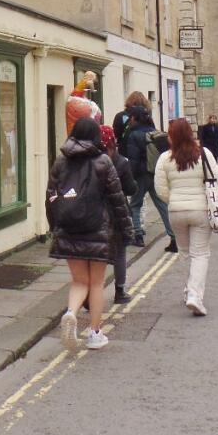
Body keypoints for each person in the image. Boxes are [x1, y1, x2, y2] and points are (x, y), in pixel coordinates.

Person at [48, 118, 134, 351]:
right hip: (98, 229)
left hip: (69, 230)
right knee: (96, 284)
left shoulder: (60, 162)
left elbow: (51, 198)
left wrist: (55, 227)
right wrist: (127, 230)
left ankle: (71, 313)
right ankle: (95, 334)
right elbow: (118, 201)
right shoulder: (103, 161)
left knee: (78, 281)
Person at [154, 118, 218, 316]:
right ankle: (194, 295)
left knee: (185, 253)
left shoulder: (164, 159)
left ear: (173, 136)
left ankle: (189, 290)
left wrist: (174, 200)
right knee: (200, 253)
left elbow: (160, 189)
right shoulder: (204, 153)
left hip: (176, 212)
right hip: (200, 210)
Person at [126, 107, 177, 252]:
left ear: (135, 119)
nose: (130, 120)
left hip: (141, 176)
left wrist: (131, 178)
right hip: (156, 174)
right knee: (162, 206)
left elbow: (133, 160)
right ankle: (173, 237)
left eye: (131, 118)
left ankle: (138, 236)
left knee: (135, 205)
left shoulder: (134, 135)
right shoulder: (158, 133)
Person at [100, 125, 138, 304]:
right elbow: (130, 189)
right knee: (120, 252)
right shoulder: (121, 162)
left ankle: (90, 294)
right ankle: (120, 291)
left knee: (96, 254)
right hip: (117, 212)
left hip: (96, 214)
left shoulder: (90, 161)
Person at [112, 91, 151, 158]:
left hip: (124, 152)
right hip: (145, 151)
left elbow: (115, 135)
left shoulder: (120, 116)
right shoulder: (147, 116)